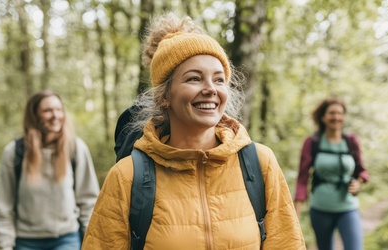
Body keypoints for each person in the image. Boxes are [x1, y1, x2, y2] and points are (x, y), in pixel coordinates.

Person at [82, 12, 305, 249]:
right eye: (194, 79)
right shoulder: (127, 177)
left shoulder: (259, 164)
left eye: (219, 80)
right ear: (165, 95)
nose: (210, 89)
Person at [0, 90, 100, 250]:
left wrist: (91, 240)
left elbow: (88, 200)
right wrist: (6, 244)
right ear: (34, 116)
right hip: (25, 241)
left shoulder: (76, 149)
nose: (55, 115)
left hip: (67, 239)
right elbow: (4, 204)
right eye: (47, 110)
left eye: (59, 109)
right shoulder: (15, 152)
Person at [294, 97, 369, 250]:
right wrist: (296, 211)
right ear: (323, 117)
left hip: (348, 208)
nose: (336, 117)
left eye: (340, 113)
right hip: (320, 209)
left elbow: (362, 171)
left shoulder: (351, 141)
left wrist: (358, 183)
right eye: (332, 113)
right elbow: (302, 178)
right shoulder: (312, 142)